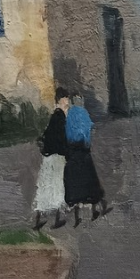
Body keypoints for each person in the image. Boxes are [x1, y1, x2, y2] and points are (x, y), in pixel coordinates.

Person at [64, 92, 110, 226]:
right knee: (90, 181)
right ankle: (96, 207)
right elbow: (88, 130)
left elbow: (68, 133)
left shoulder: (70, 114)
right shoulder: (83, 113)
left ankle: (78, 214)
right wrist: (86, 145)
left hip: (73, 152)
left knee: (76, 183)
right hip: (83, 151)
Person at [33, 88, 70, 230]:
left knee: (45, 186)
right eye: (66, 99)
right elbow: (62, 139)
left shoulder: (54, 116)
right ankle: (57, 220)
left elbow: (46, 137)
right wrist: (68, 153)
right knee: (57, 186)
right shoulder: (60, 117)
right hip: (57, 157)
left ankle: (38, 220)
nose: (67, 102)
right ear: (60, 100)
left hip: (48, 157)